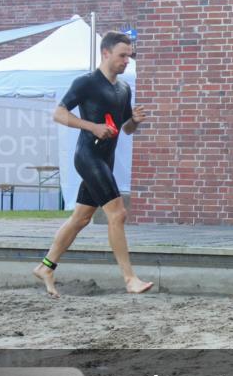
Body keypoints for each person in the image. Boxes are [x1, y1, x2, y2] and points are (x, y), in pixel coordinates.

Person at [32, 32, 153, 299]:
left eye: (129, 56)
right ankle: (130, 278)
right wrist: (92, 127)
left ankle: (46, 266)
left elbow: (126, 128)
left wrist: (134, 120)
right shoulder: (86, 83)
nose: (127, 61)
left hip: (104, 160)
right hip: (88, 156)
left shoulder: (123, 89)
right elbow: (59, 113)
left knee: (81, 218)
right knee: (118, 213)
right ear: (106, 53)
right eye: (122, 55)